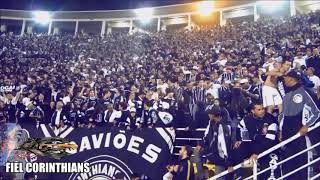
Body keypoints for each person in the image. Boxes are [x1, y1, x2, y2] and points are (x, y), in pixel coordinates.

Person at [281, 70, 320, 180]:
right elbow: (283, 116)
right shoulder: (286, 94)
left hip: (301, 136)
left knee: (302, 165)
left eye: (285, 77)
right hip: (286, 137)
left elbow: (317, 112)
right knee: (288, 166)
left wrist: (307, 125)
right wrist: (281, 130)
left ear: (291, 78)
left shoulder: (305, 91)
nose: (284, 79)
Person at [233, 101, 279, 179]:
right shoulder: (247, 119)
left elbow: (269, 141)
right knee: (237, 151)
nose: (262, 111)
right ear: (253, 111)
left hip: (268, 147)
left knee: (265, 166)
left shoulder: (271, 119)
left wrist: (256, 153)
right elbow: (239, 128)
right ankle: (238, 175)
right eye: (259, 109)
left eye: (263, 109)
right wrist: (239, 140)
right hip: (253, 144)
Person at [197, 107, 233, 180]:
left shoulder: (222, 126)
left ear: (213, 115)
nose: (208, 115)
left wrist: (229, 163)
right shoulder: (212, 123)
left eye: (209, 114)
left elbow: (224, 145)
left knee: (220, 177)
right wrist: (201, 144)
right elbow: (207, 136)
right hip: (214, 156)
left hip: (221, 159)